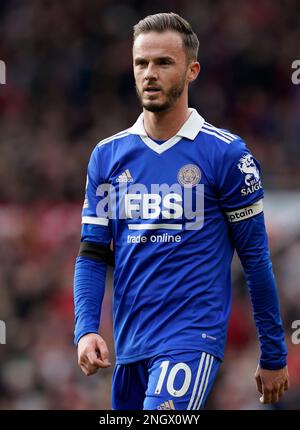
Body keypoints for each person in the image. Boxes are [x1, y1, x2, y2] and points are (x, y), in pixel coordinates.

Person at [73, 12, 289, 410]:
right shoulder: (107, 156)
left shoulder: (225, 155)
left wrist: (273, 353)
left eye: (163, 62)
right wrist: (85, 330)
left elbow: (256, 260)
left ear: (192, 71)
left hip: (192, 338)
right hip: (131, 345)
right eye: (142, 63)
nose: (149, 73)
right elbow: (91, 254)